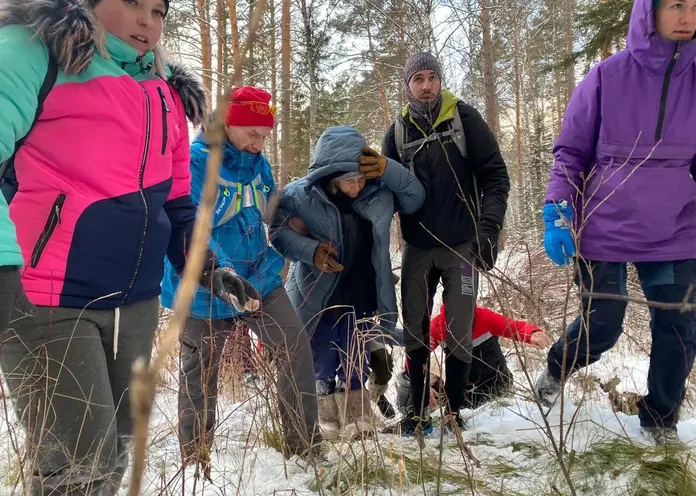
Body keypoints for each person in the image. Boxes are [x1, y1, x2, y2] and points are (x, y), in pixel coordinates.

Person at [0, 0, 260, 493]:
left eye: (159, 10)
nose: (148, 21)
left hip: (136, 304)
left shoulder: (165, 93)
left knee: (113, 459)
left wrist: (207, 268)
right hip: (45, 297)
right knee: (76, 465)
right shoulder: (36, 51)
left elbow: (178, 203)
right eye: (133, 4)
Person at [537, 0, 696, 445]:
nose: (687, 17)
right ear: (650, 11)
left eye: (695, 6)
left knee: (680, 327)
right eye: (676, 6)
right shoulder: (607, 76)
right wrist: (559, 212)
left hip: (676, 229)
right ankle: (556, 367)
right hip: (605, 225)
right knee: (602, 324)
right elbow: (570, 153)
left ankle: (660, 422)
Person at [161, 86, 320, 462]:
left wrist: (301, 223)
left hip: (260, 278)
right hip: (207, 286)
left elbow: (270, 208)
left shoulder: (258, 163)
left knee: (294, 345)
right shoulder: (195, 164)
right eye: (252, 132)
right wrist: (219, 275)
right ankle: (194, 464)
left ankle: (305, 449)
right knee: (200, 376)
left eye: (265, 135)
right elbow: (187, 229)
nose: (258, 143)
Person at [382, 51, 510, 434]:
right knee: (416, 331)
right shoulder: (398, 133)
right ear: (407, 86)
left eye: (432, 77)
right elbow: (383, 194)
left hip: (462, 248)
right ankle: (418, 413)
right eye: (417, 78)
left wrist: (488, 231)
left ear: (440, 81)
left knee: (459, 328)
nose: (425, 85)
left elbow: (496, 177)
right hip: (418, 248)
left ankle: (455, 412)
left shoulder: (465, 119)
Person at [269, 125, 425, 439]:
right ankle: (326, 414)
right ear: (331, 179)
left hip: (363, 290)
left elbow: (415, 196)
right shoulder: (299, 195)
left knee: (355, 356)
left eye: (360, 178)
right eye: (348, 181)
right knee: (323, 356)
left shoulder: (379, 193)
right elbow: (277, 231)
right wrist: (310, 251)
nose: (356, 187)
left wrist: (387, 169)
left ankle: (358, 417)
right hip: (319, 293)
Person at [394, 302, 552, 416]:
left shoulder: (485, 317)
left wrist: (532, 333)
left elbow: (513, 326)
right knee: (407, 383)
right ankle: (413, 419)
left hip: (496, 384)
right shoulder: (437, 326)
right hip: (464, 390)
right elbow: (415, 354)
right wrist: (421, 385)